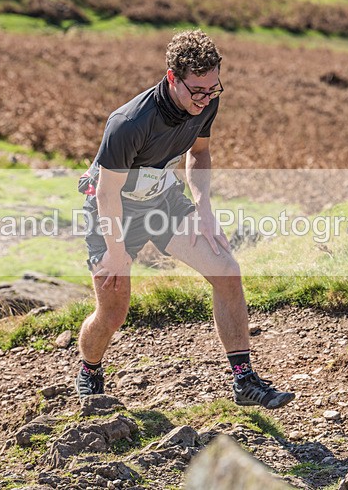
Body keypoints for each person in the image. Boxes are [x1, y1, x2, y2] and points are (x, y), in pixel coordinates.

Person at [75, 29, 295, 410]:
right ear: (172, 77)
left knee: (226, 269)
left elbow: (199, 155)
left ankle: (244, 381)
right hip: (112, 212)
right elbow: (108, 194)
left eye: (213, 88)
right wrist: (116, 251)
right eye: (197, 90)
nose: (206, 98)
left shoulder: (206, 101)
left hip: (162, 201)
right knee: (113, 313)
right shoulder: (128, 122)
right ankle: (90, 370)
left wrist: (204, 209)